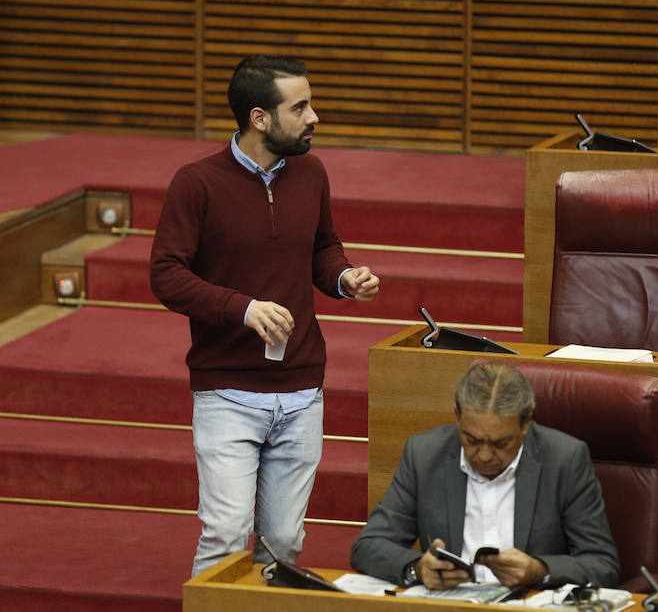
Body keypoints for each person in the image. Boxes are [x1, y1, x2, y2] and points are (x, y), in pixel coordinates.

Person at [149, 54, 379, 576]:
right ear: (260, 119)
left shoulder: (312, 172)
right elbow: (165, 273)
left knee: (283, 545)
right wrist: (242, 308)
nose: (314, 116)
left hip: (301, 391)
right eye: (300, 107)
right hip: (227, 391)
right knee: (227, 536)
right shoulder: (197, 183)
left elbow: (324, 248)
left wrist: (344, 278)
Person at [350, 362, 620, 590]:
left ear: (526, 424)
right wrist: (418, 569)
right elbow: (369, 546)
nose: (484, 456)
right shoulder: (424, 454)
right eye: (472, 439)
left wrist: (539, 570)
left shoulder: (565, 459)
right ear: (457, 416)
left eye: (500, 443)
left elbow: (602, 564)